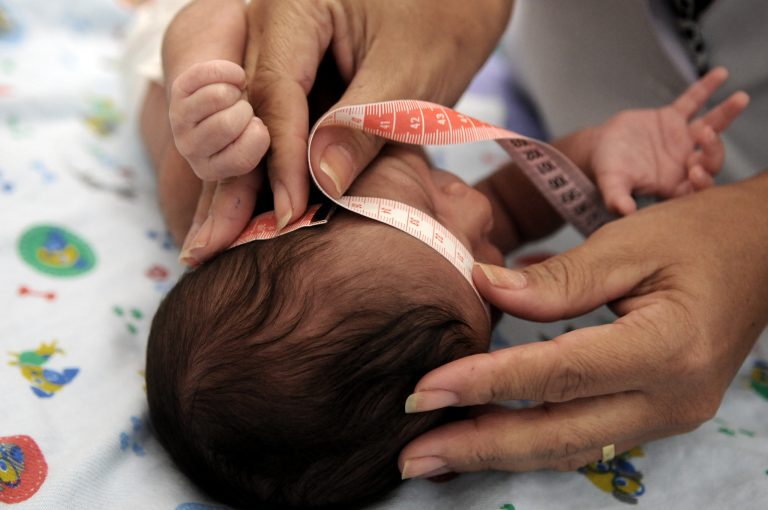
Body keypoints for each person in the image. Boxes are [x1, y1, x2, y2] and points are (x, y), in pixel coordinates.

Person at [135, 0, 751, 505]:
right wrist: (600, 154)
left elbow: (196, 26)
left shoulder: (220, 186)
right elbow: (512, 203)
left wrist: (204, 102)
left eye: (429, 202)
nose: (484, 214)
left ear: (284, 213)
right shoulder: (431, 279)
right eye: (487, 277)